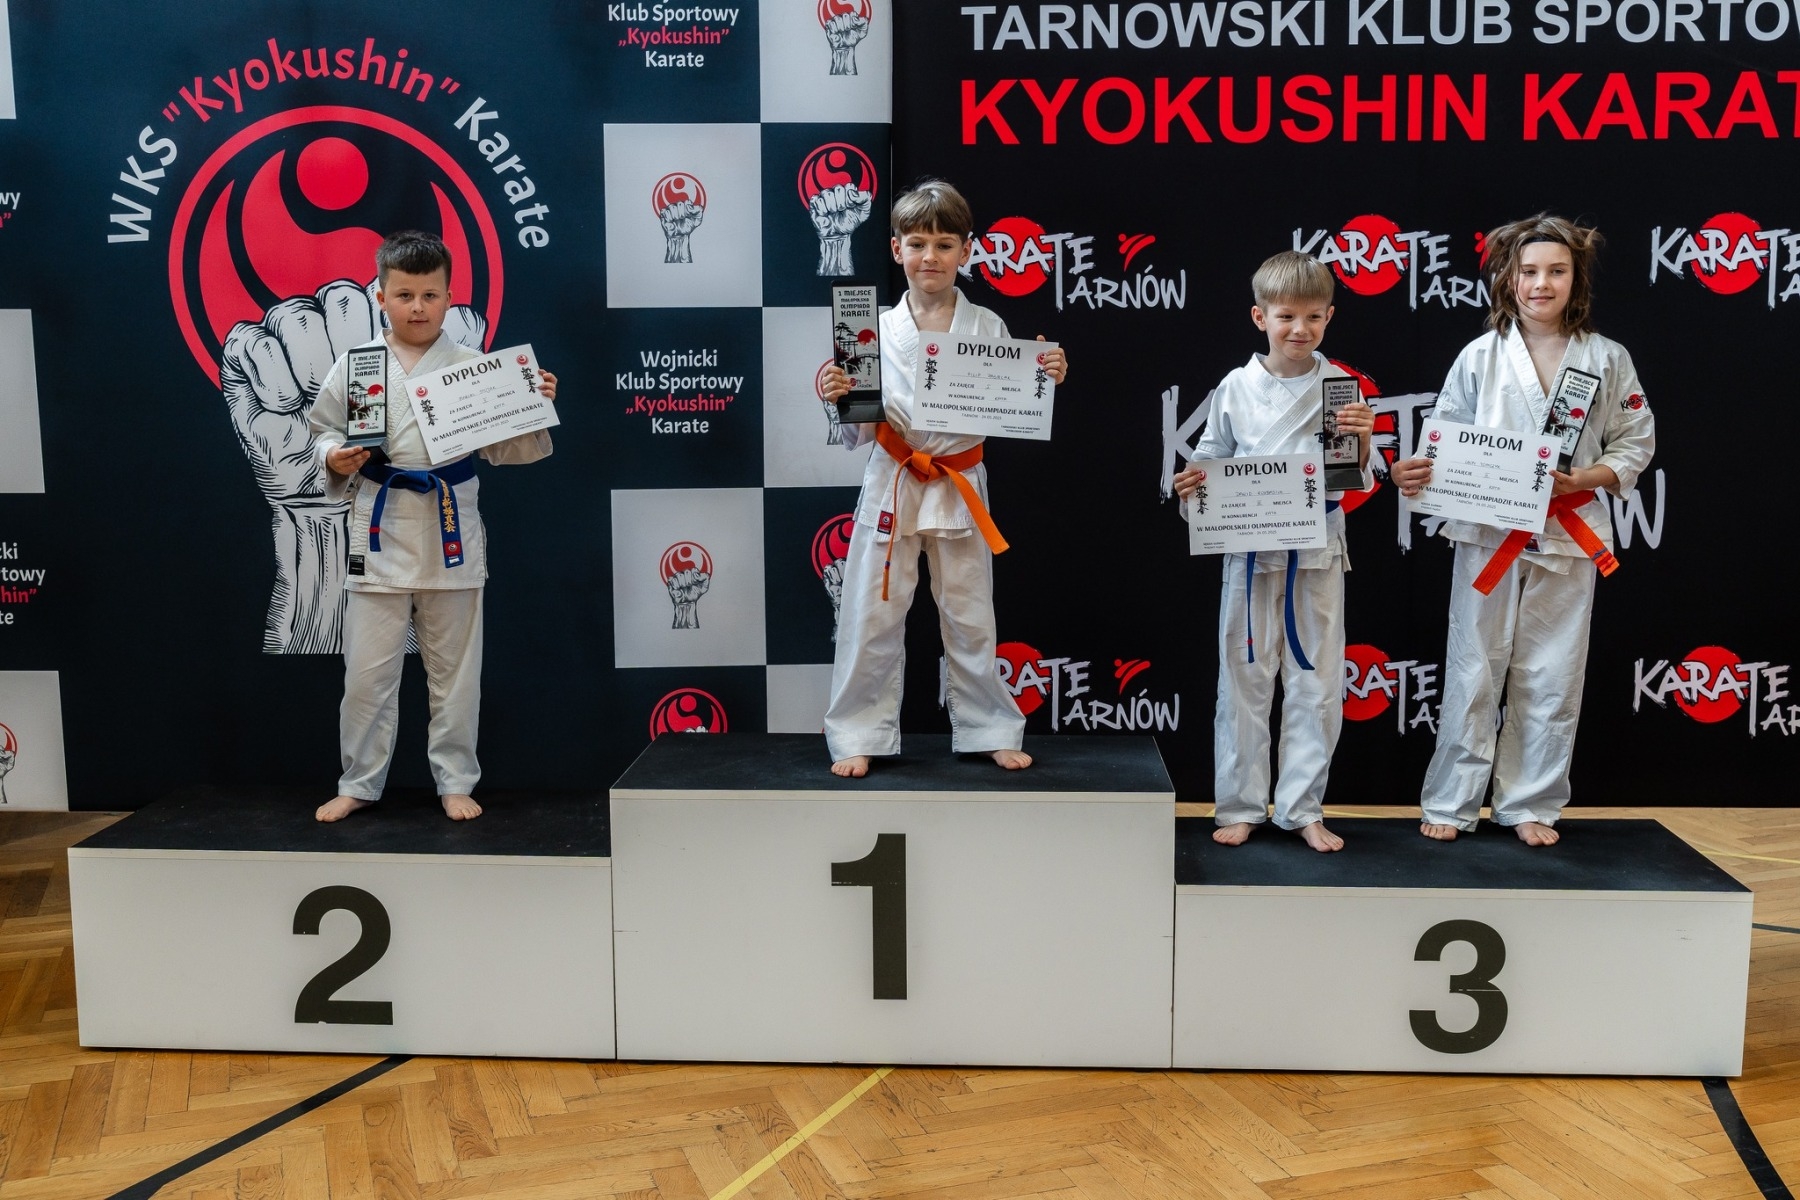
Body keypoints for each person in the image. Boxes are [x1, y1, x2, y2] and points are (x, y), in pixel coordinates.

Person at [1390, 214, 1655, 845]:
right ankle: (1452, 801)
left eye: (1556, 271)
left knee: (1552, 671)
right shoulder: (1480, 357)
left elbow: (1635, 442)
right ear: (1509, 279)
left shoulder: (1607, 357)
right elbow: (1442, 444)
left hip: (1570, 530)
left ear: (1576, 279)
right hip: (1488, 533)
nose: (1542, 284)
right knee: (1472, 668)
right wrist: (1412, 472)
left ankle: (1529, 802)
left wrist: (1584, 477)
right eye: (1529, 271)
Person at [817, 180, 1068, 778]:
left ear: (966, 250)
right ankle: (857, 732)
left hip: (958, 478)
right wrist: (838, 396)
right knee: (871, 614)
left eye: (945, 245)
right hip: (894, 475)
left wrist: (1043, 377)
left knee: (970, 614)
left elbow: (1010, 409)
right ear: (896, 248)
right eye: (918, 244)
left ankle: (989, 728)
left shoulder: (988, 325)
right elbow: (858, 431)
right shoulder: (869, 328)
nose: (930, 256)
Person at [308, 231, 559, 822]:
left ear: (449, 297)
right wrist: (333, 457)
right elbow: (323, 431)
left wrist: (533, 404)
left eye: (429, 295)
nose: (417, 307)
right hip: (379, 529)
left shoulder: (475, 369)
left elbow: (511, 450)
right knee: (366, 678)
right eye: (404, 295)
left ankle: (455, 780)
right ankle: (358, 781)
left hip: (450, 530)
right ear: (380, 297)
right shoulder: (358, 366)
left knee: (455, 674)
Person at [1172, 251, 1374, 852]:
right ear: (1260, 317)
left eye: (1313, 317)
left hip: (1316, 552)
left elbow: (1351, 477)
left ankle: (1302, 807)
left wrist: (1362, 444)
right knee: (1243, 679)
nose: (1299, 329)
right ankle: (1240, 804)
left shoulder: (1341, 389)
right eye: (1286, 316)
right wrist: (1194, 485)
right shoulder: (1235, 387)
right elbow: (1209, 458)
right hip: (1248, 553)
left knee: (1317, 683)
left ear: (1330, 316)